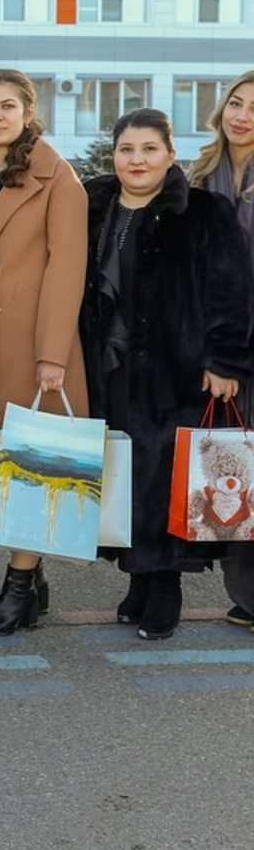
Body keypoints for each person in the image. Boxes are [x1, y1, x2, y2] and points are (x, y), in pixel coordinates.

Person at [81, 109, 251, 639]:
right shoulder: (93, 207)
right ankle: (137, 575)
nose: (137, 160)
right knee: (124, 473)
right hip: (109, 366)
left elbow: (232, 290)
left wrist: (225, 361)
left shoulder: (204, 211)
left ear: (171, 155)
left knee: (165, 478)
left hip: (176, 369)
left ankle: (166, 588)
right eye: (127, 149)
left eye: (149, 149)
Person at [0, 69, 89, 635]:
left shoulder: (59, 179)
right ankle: (31, 584)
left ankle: (17, 587)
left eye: (8, 105)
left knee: (30, 465)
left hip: (34, 344)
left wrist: (53, 353)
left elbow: (67, 269)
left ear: (29, 110)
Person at [187, 71, 254, 627]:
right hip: (220, 343)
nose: (243, 115)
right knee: (232, 470)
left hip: (245, 341)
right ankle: (246, 594)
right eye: (236, 102)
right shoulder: (203, 173)